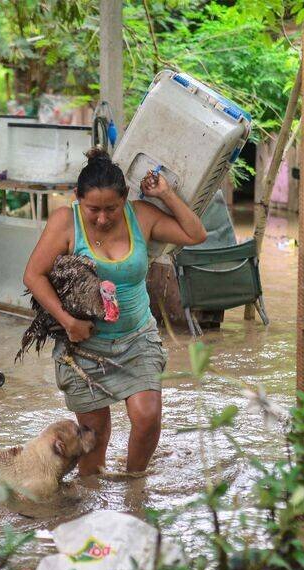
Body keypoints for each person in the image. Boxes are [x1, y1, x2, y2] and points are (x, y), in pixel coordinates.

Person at [23, 148, 206, 475]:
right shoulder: (65, 222)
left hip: (137, 339)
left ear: (125, 198)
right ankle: (93, 498)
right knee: (95, 440)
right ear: (77, 197)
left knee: (148, 418)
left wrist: (166, 194)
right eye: (93, 209)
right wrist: (68, 322)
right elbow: (33, 276)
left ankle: (135, 485)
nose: (103, 218)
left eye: (112, 208)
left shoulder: (142, 216)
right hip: (84, 348)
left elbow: (196, 234)